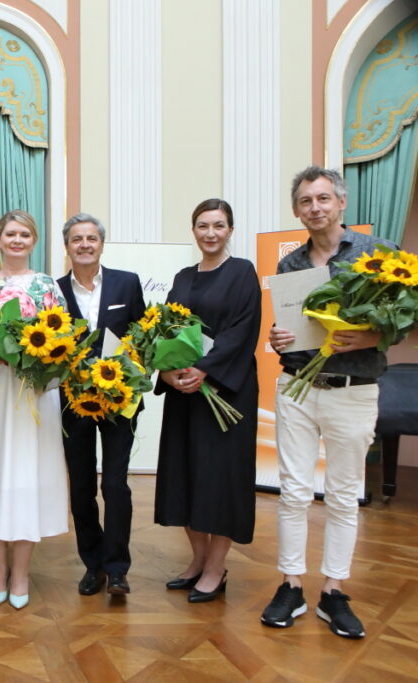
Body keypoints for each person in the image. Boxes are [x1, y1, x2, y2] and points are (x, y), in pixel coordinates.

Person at [263, 166, 395, 639]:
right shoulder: (290, 265)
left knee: (342, 494)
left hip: (353, 392)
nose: (314, 208)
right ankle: (291, 583)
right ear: (297, 209)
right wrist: (279, 339)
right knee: (293, 491)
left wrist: (370, 336)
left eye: (322, 199)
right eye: (305, 201)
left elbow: (404, 323)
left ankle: (334, 591)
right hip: (298, 388)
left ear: (341, 202)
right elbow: (289, 334)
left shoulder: (378, 256)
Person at [0, 210, 68, 609]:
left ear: (33, 241)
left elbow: (62, 342)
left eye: (24, 234)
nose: (17, 240)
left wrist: (39, 362)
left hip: (32, 395)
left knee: (26, 477)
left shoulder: (48, 286)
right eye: (10, 234)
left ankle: (21, 573)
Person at [154, 198, 260, 604]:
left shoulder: (242, 273)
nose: (210, 233)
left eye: (218, 225)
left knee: (220, 481)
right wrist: (168, 371)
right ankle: (198, 561)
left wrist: (206, 370)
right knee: (186, 476)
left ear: (230, 230)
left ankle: (217, 568)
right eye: (202, 225)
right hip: (185, 395)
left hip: (226, 394)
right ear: (193, 230)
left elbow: (241, 331)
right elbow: (167, 330)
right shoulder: (182, 277)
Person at [55, 213, 146, 596]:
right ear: (67, 246)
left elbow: (141, 336)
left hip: (118, 401)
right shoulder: (55, 290)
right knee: (81, 489)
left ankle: (118, 567)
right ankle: (93, 565)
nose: (85, 244)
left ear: (102, 244)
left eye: (92, 238)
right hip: (73, 403)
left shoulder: (127, 283)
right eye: (77, 239)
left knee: (114, 484)